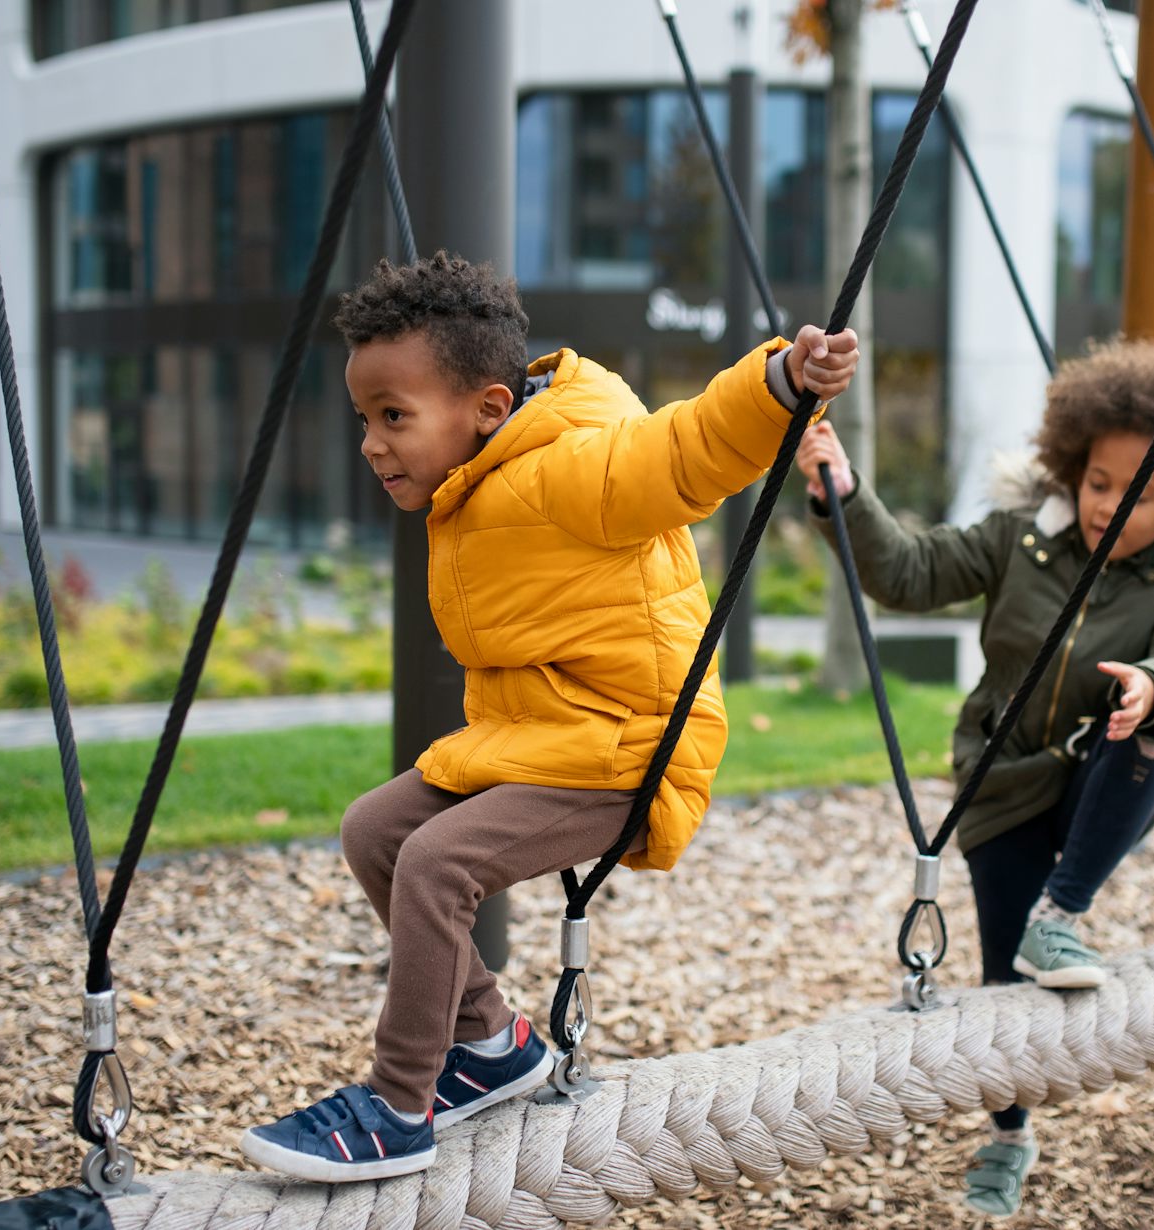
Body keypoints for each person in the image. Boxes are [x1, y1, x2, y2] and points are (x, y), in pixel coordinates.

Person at [240, 253, 859, 1183]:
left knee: (436, 862)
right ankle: (491, 1042)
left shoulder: (577, 467)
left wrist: (778, 385)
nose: (371, 443)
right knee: (376, 829)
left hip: (629, 746)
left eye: (394, 417)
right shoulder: (476, 479)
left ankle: (400, 1106)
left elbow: (688, 450)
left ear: (489, 409)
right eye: (365, 418)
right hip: (545, 739)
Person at [794, 337, 1154, 1217]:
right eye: (1099, 482)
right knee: (1007, 989)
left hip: (1096, 791)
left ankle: (1065, 913)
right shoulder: (1020, 540)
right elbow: (907, 571)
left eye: (1141, 494)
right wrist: (847, 496)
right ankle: (1011, 1133)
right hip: (1002, 789)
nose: (1111, 504)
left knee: (1151, 726)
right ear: (1073, 468)